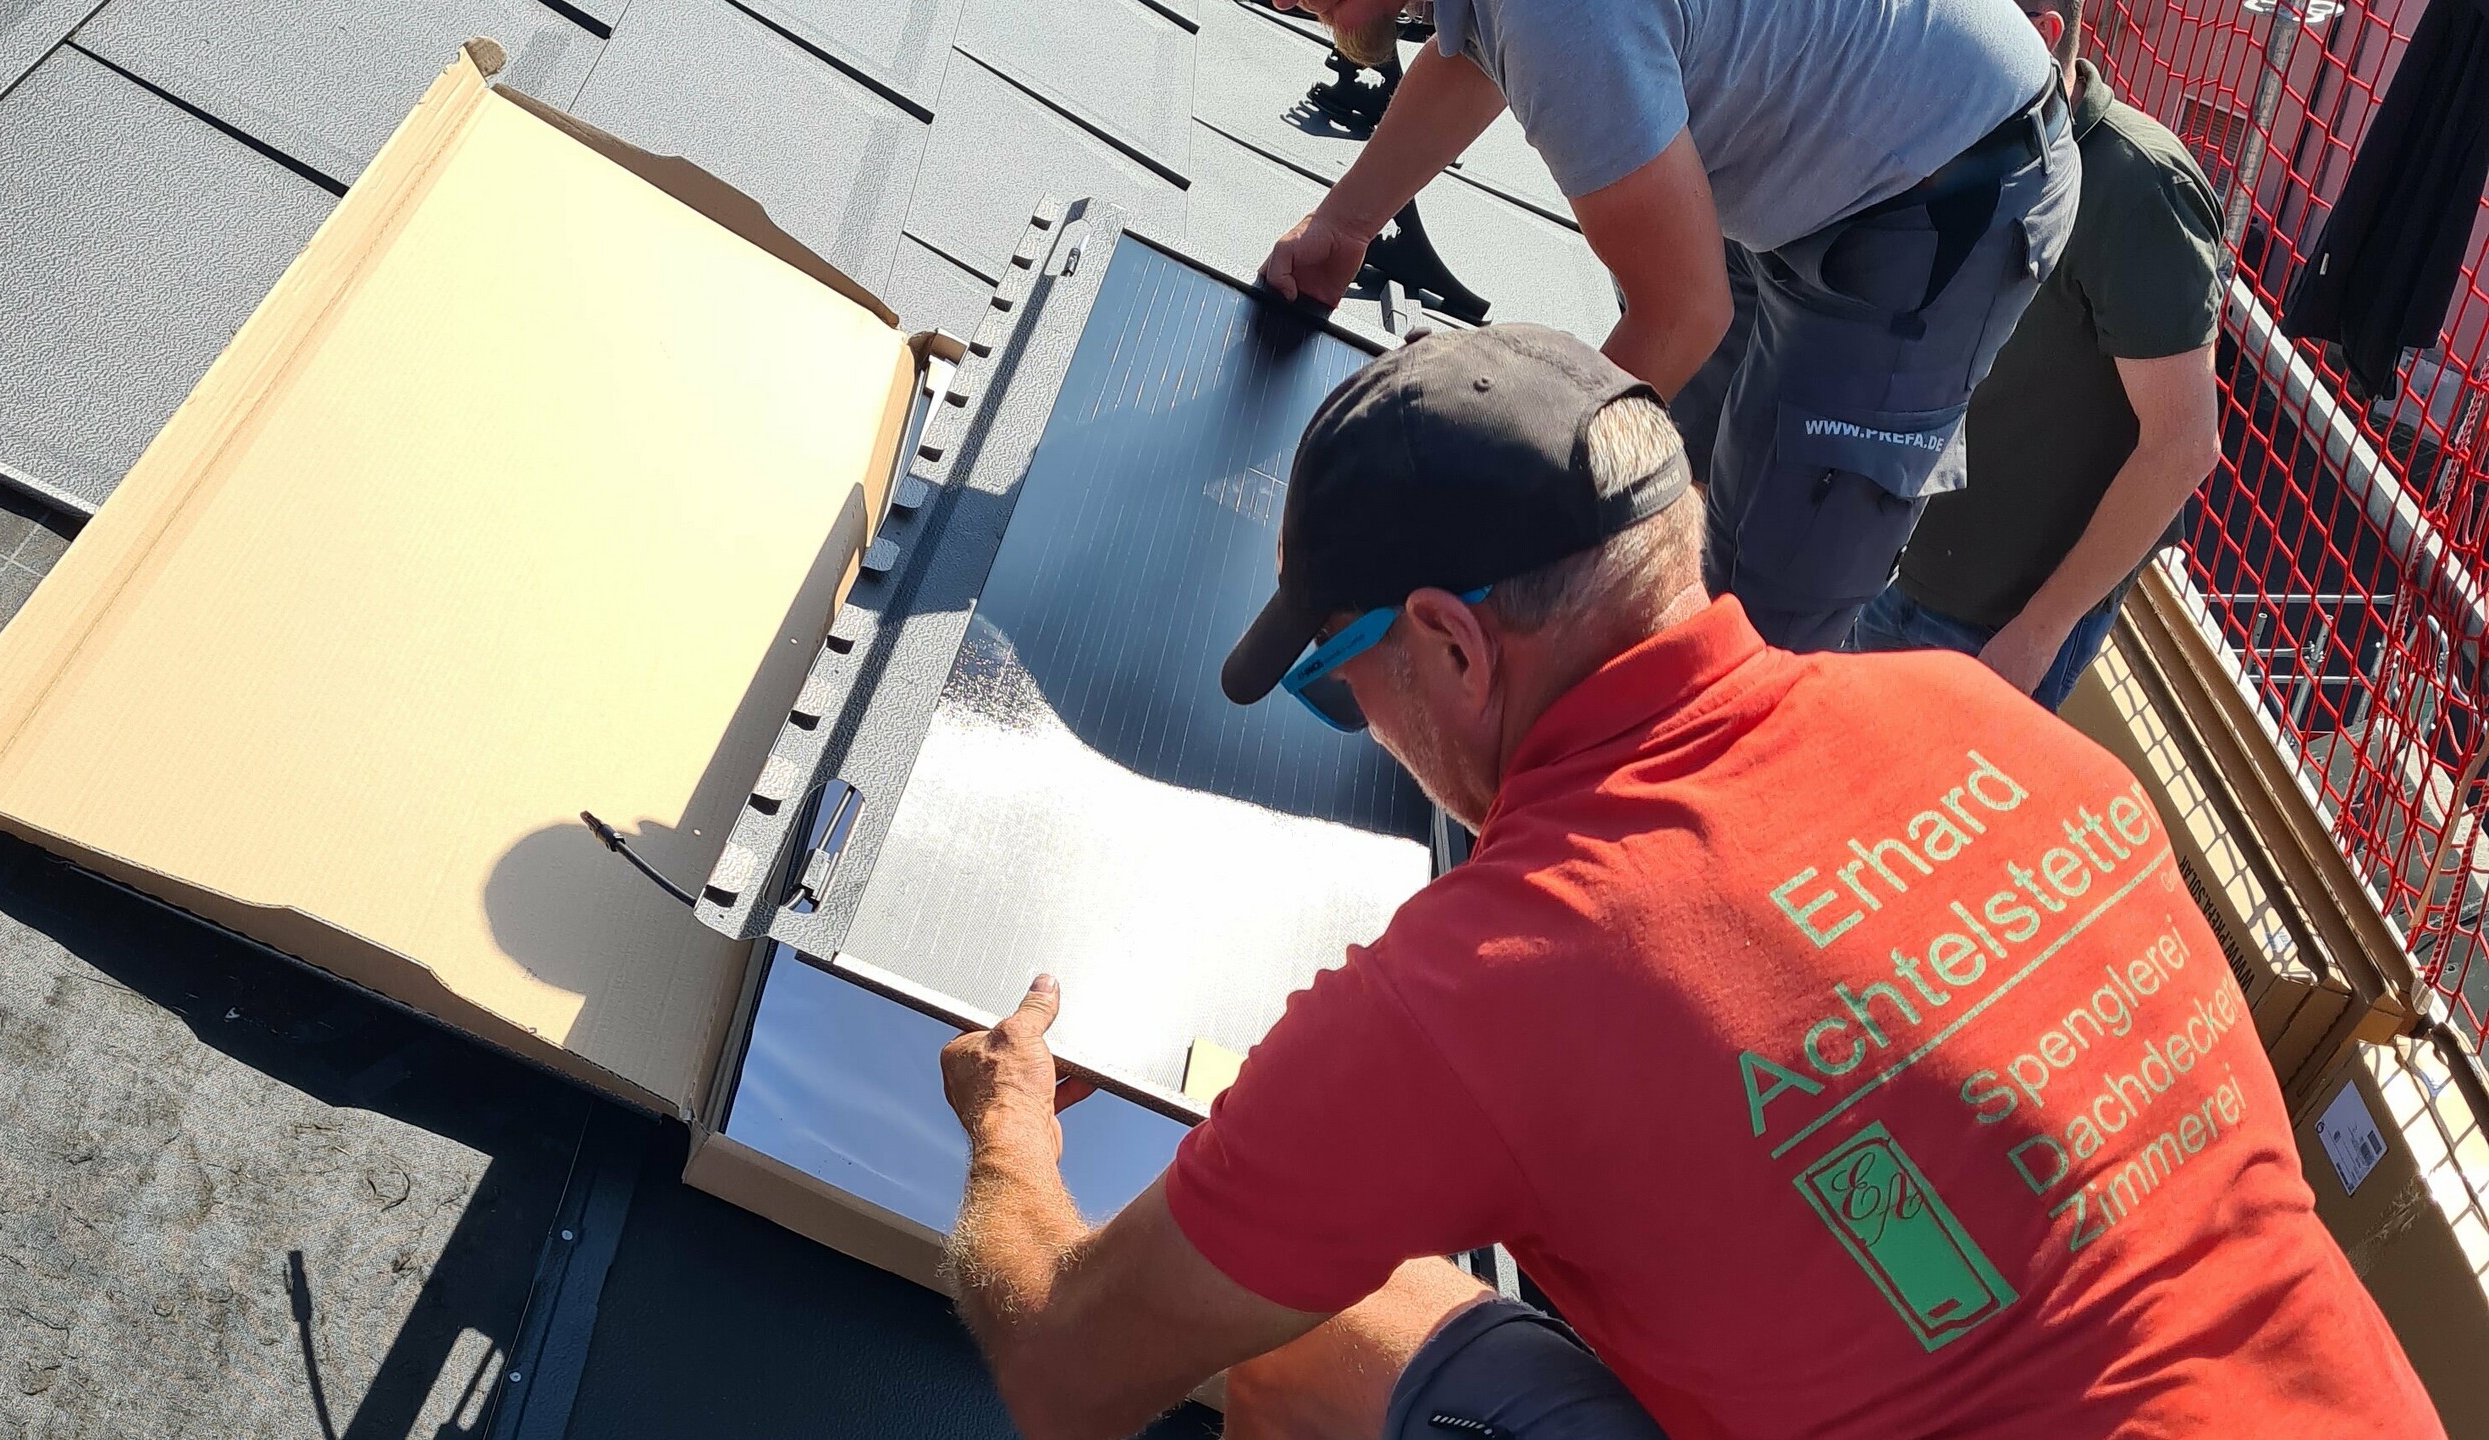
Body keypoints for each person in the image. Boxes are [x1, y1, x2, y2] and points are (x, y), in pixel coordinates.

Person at [935, 325, 2439, 1440]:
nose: (1370, 733)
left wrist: (1011, 1143)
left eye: (1344, 687)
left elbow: (1069, 1367)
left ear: (1455, 647)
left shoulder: (1488, 986)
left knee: (1306, 1344)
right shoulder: (1991, 727)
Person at [1259, 0, 2081, 652]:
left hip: (1942, 183)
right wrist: (1348, 222)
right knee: (1648, 475)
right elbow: (1479, 50)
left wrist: (1490, 531)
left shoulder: (1557, 16)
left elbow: (1683, 314)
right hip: (1826, 136)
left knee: (1755, 609)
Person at [1855, 0, 2227, 709]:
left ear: (2039, 33)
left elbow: (2183, 444)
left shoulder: (2138, 189)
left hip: (1989, 627)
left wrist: (2037, 634)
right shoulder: (1963, 126)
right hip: (1893, 558)